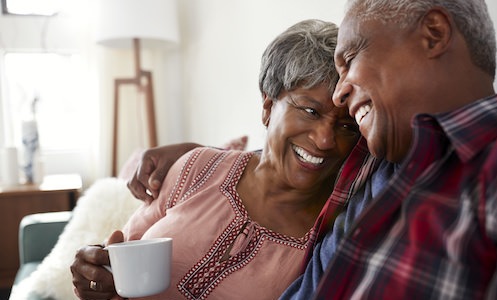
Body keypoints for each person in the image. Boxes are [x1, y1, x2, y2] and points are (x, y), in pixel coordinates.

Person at [129, 0, 497, 299]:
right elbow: (272, 160)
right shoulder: (376, 165)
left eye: (350, 58)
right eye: (311, 109)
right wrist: (193, 157)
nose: (340, 92)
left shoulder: (484, 170)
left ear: (433, 34)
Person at [70, 19, 361, 300]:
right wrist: (95, 276)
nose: (325, 140)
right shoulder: (196, 166)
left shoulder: (332, 236)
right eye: (310, 111)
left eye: (346, 126)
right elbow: (119, 255)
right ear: (268, 106)